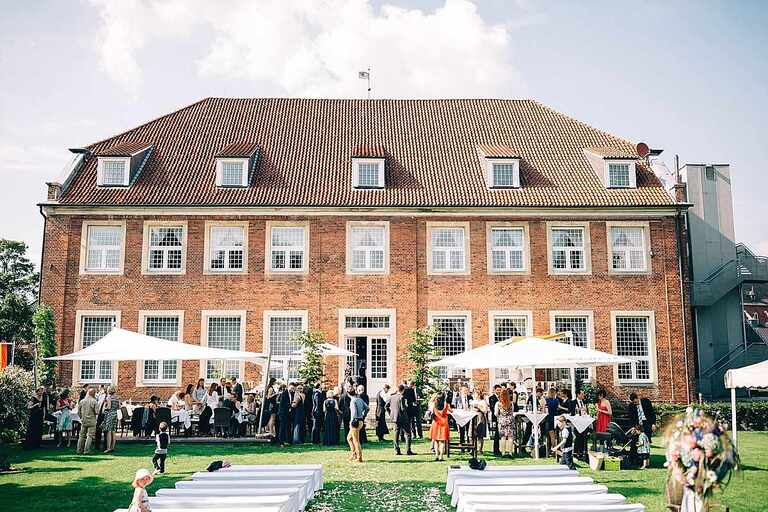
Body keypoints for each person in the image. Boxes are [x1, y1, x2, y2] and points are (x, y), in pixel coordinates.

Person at [387, 384, 414, 455]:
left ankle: (397, 450)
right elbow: (403, 408)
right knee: (408, 434)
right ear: (403, 390)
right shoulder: (402, 397)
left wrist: (391, 414)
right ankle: (408, 450)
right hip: (403, 418)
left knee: (396, 434)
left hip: (395, 418)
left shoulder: (391, 397)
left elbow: (386, 406)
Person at [347, 387, 369, 462]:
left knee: (356, 440)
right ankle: (354, 454)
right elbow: (367, 408)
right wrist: (363, 415)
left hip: (355, 421)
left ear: (348, 394)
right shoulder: (360, 399)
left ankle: (359, 457)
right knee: (349, 438)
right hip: (360, 421)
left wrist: (351, 422)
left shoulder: (353, 401)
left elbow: (353, 413)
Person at [429, 392, 451, 461]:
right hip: (444, 423)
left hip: (436, 423)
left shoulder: (433, 405)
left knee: (436, 441)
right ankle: (441, 456)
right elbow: (451, 411)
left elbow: (431, 411)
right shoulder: (446, 405)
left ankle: (436, 455)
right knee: (442, 441)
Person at [77, 387, 99, 454]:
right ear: (94, 394)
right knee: (90, 436)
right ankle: (86, 450)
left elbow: (78, 412)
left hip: (83, 420)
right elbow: (97, 412)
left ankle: (79, 450)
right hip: (91, 421)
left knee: (81, 436)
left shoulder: (82, 401)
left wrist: (81, 418)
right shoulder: (94, 401)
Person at [495, 388, 515, 457]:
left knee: (503, 437)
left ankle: (503, 452)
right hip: (510, 420)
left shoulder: (498, 404)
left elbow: (496, 413)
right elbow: (512, 412)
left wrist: (500, 416)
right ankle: (510, 453)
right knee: (510, 437)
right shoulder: (511, 403)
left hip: (502, 420)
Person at [101, 385, 120, 453]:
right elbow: (119, 407)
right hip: (115, 414)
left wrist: (105, 406)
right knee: (113, 431)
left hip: (110, 414)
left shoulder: (109, 397)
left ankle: (108, 448)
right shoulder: (117, 398)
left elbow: (109, 407)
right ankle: (112, 447)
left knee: (108, 431)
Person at [453, 385, 471, 452]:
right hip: (461, 418)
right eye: (464, 391)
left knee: (469, 433)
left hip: (468, 417)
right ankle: (462, 447)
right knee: (462, 433)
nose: (465, 392)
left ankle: (469, 447)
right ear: (461, 391)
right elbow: (455, 408)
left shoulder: (470, 397)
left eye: (466, 390)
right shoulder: (457, 399)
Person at [573, 389, 589, 460]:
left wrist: (586, 411)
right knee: (578, 437)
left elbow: (586, 411)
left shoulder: (584, 402)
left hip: (584, 422)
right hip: (577, 422)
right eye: (582, 394)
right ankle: (576, 452)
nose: (583, 395)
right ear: (578, 395)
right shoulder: (573, 402)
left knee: (583, 437)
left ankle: (583, 452)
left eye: (583, 394)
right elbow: (571, 412)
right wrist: (578, 410)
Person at [473, 390, 489, 455]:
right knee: (473, 434)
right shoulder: (473, 401)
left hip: (480, 418)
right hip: (474, 417)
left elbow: (485, 410)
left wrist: (479, 407)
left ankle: (480, 449)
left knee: (480, 435)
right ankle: (473, 448)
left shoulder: (483, 402)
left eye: (476, 394)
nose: (474, 395)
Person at [489, 384, 501, 456]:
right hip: (495, 417)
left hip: (502, 417)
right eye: (497, 390)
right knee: (496, 434)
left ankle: (499, 449)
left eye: (500, 390)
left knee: (499, 434)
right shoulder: (491, 398)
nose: (499, 391)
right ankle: (495, 449)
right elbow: (492, 408)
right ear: (494, 390)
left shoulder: (502, 397)